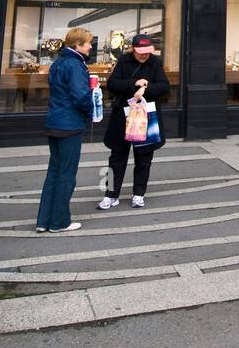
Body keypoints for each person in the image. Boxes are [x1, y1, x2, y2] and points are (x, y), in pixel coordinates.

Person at [98, 34, 170, 209]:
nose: (143, 56)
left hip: (146, 117)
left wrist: (147, 88)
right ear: (133, 49)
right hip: (123, 116)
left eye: (146, 52)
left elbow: (164, 86)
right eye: (140, 52)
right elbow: (112, 84)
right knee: (117, 158)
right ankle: (111, 194)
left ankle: (138, 194)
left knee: (144, 158)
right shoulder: (123, 61)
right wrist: (133, 84)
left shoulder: (155, 62)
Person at [35, 27, 94, 234]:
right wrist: (91, 108)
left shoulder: (58, 62)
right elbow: (80, 96)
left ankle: (44, 220)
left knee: (54, 171)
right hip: (70, 124)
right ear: (78, 45)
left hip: (55, 121)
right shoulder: (76, 65)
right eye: (88, 43)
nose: (90, 46)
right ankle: (60, 221)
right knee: (67, 174)